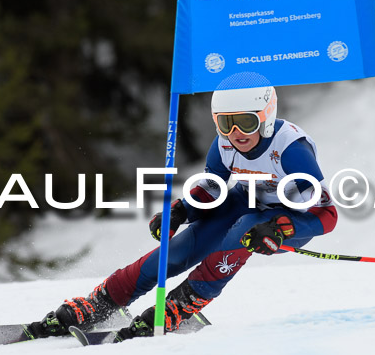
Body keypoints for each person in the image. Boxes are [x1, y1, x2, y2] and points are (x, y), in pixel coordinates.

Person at [29, 85, 338, 339]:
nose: (235, 132)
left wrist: (281, 229)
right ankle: (104, 301)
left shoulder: (291, 150)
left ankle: (181, 304)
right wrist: (182, 210)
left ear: (266, 117)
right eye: (225, 123)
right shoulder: (224, 145)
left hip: (288, 219)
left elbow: (326, 215)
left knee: (244, 228)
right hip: (246, 199)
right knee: (177, 250)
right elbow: (213, 186)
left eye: (246, 122)